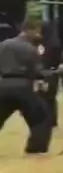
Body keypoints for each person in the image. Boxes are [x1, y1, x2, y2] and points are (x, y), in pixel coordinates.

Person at [0, 18, 55, 154]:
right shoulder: (30, 49)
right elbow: (36, 72)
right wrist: (54, 72)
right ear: (29, 30)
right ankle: (35, 149)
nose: (39, 35)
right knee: (42, 118)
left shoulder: (4, 45)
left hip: (3, 85)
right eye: (37, 32)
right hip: (23, 87)